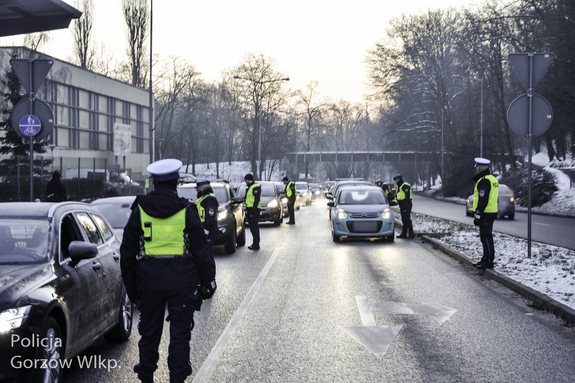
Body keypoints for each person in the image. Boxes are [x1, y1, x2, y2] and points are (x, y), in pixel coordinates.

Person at [120, 159, 216, 383]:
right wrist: (207, 282)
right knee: (180, 336)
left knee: (149, 334)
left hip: (149, 283)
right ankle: (178, 378)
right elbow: (201, 251)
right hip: (182, 282)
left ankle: (146, 375)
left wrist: (132, 288)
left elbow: (127, 254)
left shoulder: (140, 210)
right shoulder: (186, 210)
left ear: (154, 182)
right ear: (176, 182)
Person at [472, 157, 499, 269]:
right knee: (486, 236)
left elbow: (483, 199)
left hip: (486, 213)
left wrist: (478, 214)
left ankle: (488, 261)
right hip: (491, 212)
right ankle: (485, 258)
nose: (477, 168)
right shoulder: (493, 179)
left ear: (480, 167)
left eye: (477, 166)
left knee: (486, 236)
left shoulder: (484, 180)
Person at [195, 178, 219, 256]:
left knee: (207, 255)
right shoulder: (203, 198)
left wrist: (205, 232)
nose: (197, 190)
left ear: (202, 188)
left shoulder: (210, 199)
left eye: (197, 188)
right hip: (204, 231)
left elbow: (210, 219)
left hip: (208, 232)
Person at [243, 173, 261, 250]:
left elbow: (256, 199)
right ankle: (255, 243)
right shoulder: (249, 188)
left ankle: (256, 244)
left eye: (246, 180)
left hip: (253, 210)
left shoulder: (255, 187)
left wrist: (254, 208)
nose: (245, 182)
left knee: (254, 227)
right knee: (252, 227)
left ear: (248, 180)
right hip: (250, 209)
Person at [394, 174, 414, 238]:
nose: (396, 181)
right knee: (404, 220)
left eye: (396, 180)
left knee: (407, 219)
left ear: (399, 179)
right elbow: (398, 196)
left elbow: (407, 196)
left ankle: (411, 233)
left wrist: (405, 204)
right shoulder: (399, 187)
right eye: (395, 180)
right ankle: (404, 233)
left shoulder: (405, 185)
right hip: (402, 205)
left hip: (406, 204)